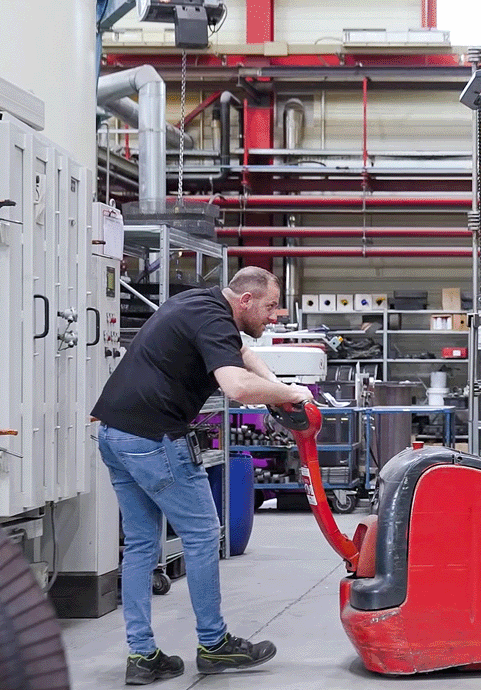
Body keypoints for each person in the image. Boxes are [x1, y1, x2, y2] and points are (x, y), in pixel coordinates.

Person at [91, 266, 314, 685]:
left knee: (140, 543)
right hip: (153, 438)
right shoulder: (213, 318)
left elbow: (243, 355)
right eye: (270, 307)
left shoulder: (200, 303)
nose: (274, 316)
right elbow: (237, 387)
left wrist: (277, 386)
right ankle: (214, 644)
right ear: (245, 300)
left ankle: (142, 656)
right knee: (203, 534)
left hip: (113, 433)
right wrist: (292, 394)